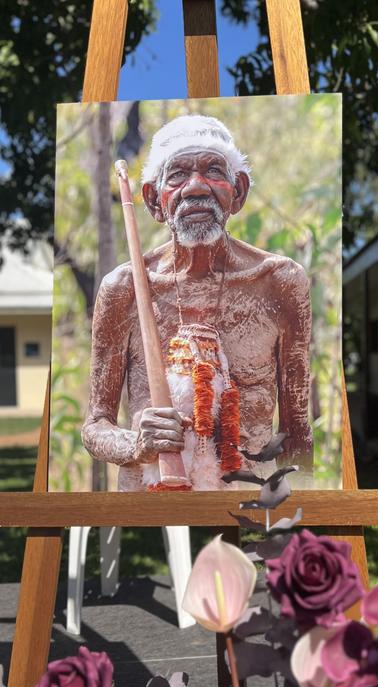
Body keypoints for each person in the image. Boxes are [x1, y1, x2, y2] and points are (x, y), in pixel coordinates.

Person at [81, 115, 313, 491]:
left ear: (237, 192)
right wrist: (136, 444)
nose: (195, 188)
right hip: (152, 505)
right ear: (154, 201)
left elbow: (297, 429)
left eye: (212, 170)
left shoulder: (280, 283)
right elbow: (95, 427)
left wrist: (291, 526)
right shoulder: (123, 288)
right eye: (177, 175)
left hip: (246, 504)